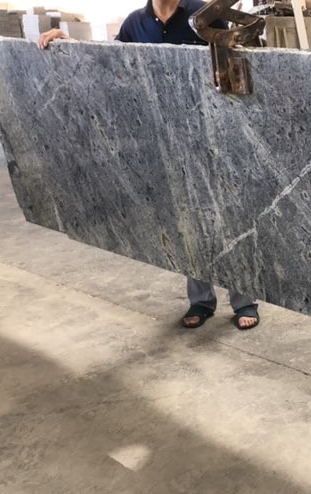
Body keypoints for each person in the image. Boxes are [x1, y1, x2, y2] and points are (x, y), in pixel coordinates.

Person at [38, 0, 260, 331]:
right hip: (164, 135)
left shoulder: (205, 14)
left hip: (208, 129)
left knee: (226, 216)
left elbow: (231, 63)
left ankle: (244, 301)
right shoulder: (135, 23)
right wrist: (67, 43)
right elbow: (108, 62)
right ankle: (201, 300)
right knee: (188, 220)